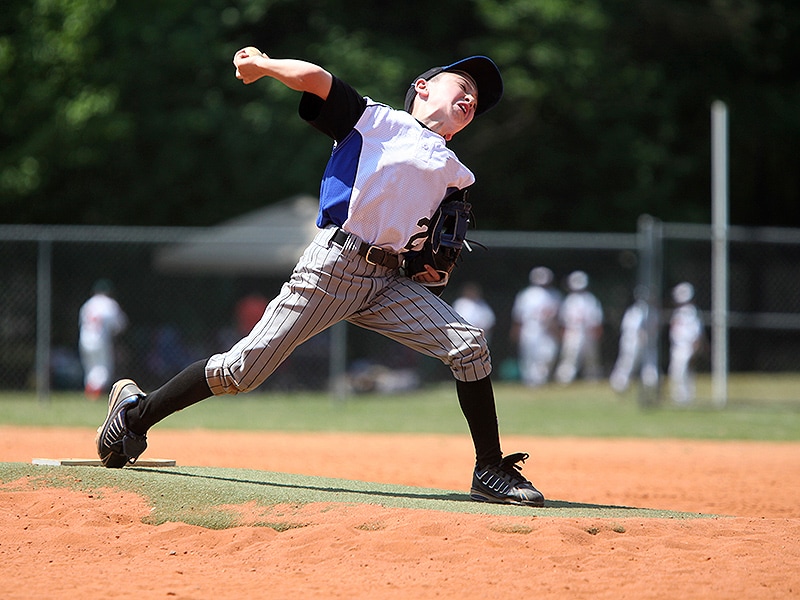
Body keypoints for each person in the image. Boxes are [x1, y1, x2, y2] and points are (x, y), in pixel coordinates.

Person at [95, 49, 543, 507]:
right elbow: (315, 79)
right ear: (423, 88)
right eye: (462, 86)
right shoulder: (375, 121)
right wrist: (264, 65)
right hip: (334, 268)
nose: (470, 98)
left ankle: (489, 468)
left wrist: (426, 271)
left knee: (468, 346)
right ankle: (134, 416)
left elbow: (425, 250)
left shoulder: (457, 175)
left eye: (476, 101)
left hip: (387, 283)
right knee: (240, 372)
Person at [510, 267, 562, 387]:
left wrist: (556, 330)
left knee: (548, 354)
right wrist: (516, 330)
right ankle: (530, 381)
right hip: (530, 327)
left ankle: (540, 378)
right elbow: (518, 316)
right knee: (529, 355)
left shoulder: (554, 294)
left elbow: (557, 316)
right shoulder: (526, 295)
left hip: (547, 329)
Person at [78, 279, 128, 400]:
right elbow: (120, 325)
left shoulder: (88, 304)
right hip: (101, 340)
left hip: (85, 339)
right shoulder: (109, 304)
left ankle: (89, 392)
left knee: (90, 368)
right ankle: (94, 394)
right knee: (104, 368)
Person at [554, 270, 604, 384]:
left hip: (588, 333)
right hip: (573, 332)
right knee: (570, 357)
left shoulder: (591, 299)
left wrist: (596, 333)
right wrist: (563, 334)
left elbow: (596, 319)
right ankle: (565, 379)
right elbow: (563, 321)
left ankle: (592, 378)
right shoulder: (569, 300)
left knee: (591, 359)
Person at [668, 282, 704, 404]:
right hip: (677, 347)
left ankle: (685, 397)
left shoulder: (691, 312)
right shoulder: (678, 312)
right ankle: (680, 396)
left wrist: (695, 346)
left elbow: (696, 331)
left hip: (686, 346)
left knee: (683, 371)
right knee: (676, 371)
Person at [609, 286, 649, 393]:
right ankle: (619, 383)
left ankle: (622, 383)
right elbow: (635, 330)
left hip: (630, 340)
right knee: (627, 362)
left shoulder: (639, 311)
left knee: (631, 362)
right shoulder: (637, 311)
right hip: (632, 341)